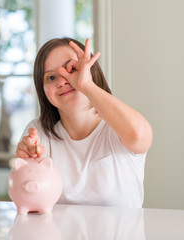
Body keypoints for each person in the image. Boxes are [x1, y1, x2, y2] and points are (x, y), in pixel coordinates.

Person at [16, 37, 152, 208]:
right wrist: (30, 166)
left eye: (71, 69)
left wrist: (86, 85)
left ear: (91, 71)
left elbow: (139, 136)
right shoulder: (38, 131)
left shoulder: (118, 126)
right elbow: (27, 205)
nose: (62, 81)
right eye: (51, 77)